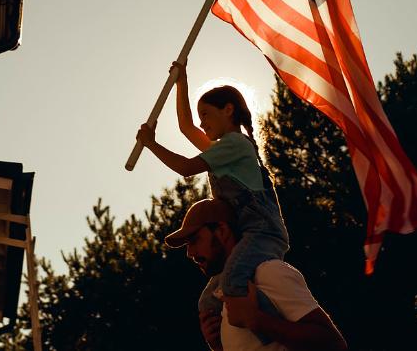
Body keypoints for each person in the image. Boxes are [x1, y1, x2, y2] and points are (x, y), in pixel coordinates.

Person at [137, 61, 289, 324]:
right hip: (247, 235)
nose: (201, 122)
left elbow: (185, 167)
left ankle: (277, 329)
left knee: (231, 282)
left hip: (263, 233)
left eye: (206, 114)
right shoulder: (224, 150)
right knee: (209, 299)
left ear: (228, 110)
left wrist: (151, 144)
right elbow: (186, 127)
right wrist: (181, 81)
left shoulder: (235, 144)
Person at [167, 198, 348, 351]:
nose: (189, 253)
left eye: (194, 240)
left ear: (222, 231)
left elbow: (334, 344)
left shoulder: (269, 272)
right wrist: (217, 344)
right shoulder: (224, 293)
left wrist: (256, 320)